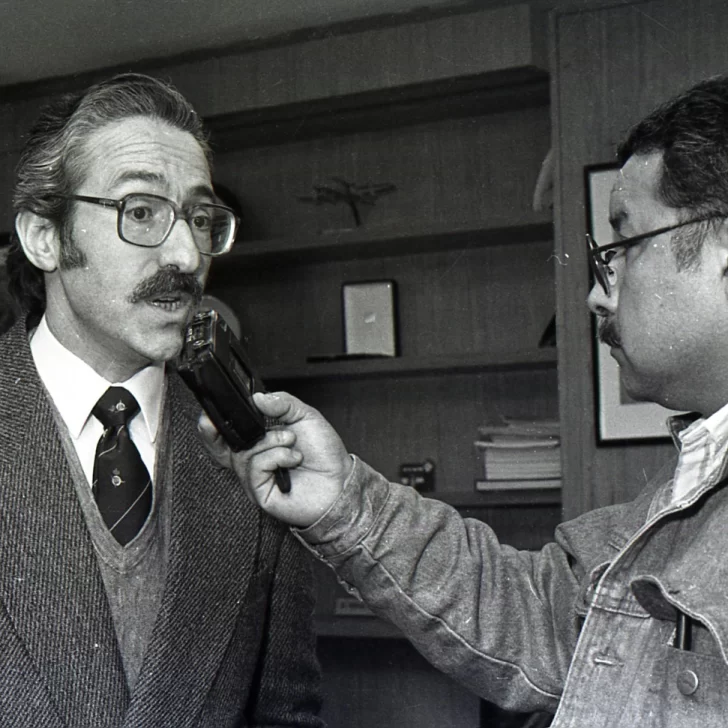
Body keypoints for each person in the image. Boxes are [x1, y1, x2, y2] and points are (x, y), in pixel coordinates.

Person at [204, 74, 728, 727]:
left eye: (622, 248)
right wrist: (342, 501)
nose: (597, 294)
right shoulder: (692, 486)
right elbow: (544, 620)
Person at [1, 73, 323, 727]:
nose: (186, 253)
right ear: (44, 237)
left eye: (200, 219)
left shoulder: (257, 447)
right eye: (141, 211)